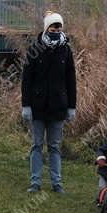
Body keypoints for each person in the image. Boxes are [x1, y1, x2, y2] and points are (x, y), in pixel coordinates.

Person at [21, 11, 77, 193]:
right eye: (53, 26)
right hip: (37, 106)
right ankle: (35, 182)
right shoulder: (35, 48)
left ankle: (57, 183)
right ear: (46, 27)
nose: (56, 29)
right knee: (37, 145)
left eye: (59, 26)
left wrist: (71, 106)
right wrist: (26, 105)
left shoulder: (66, 50)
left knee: (54, 146)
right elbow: (26, 79)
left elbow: (71, 80)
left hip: (58, 107)